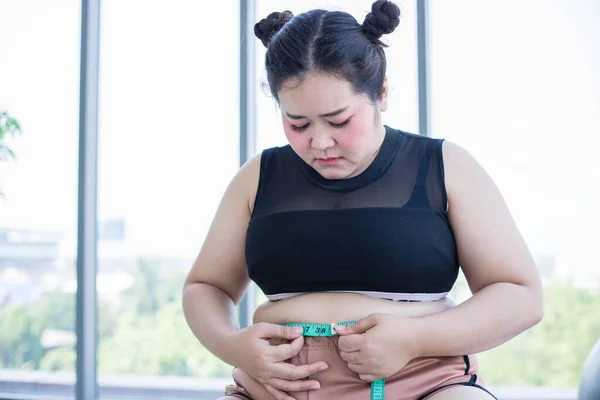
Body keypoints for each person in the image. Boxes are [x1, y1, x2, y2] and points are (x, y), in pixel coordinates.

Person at [182, 1, 544, 399]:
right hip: (275, 389)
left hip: (422, 385)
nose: (320, 142)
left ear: (382, 93)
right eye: (297, 124)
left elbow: (521, 295)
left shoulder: (445, 166)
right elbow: (206, 286)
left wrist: (414, 339)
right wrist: (231, 344)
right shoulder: (257, 177)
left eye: (339, 121)